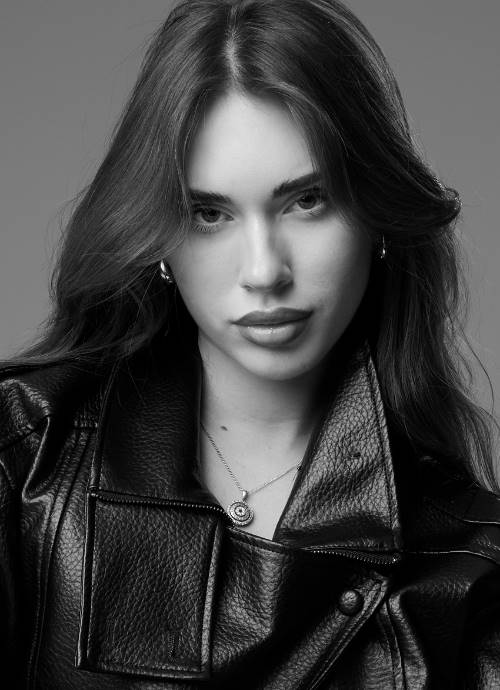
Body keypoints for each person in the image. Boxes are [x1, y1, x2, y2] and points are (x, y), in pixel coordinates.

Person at [1, 0, 499, 687]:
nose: (264, 272)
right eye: (209, 214)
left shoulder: (468, 564)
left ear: (377, 216)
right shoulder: (24, 458)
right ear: (159, 237)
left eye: (307, 201)